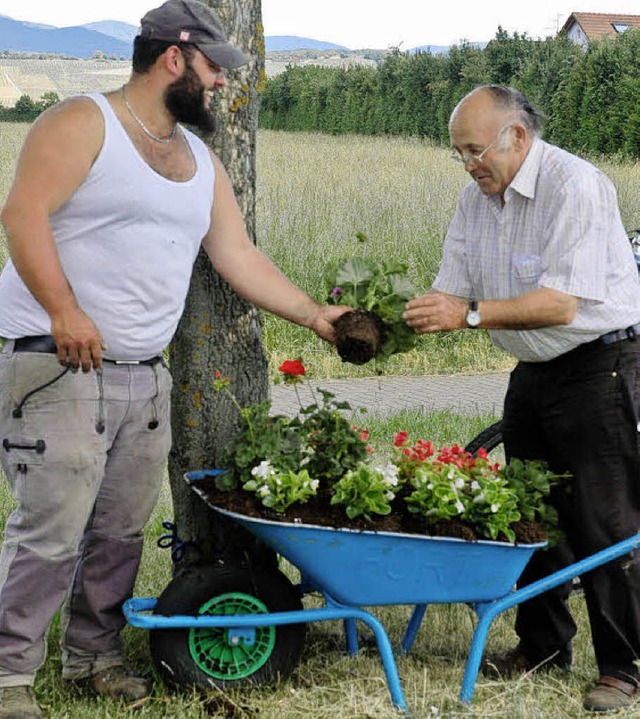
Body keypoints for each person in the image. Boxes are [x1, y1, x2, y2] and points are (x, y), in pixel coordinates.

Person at [0, 1, 348, 717]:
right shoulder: (81, 123)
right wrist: (65, 309)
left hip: (142, 374)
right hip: (56, 361)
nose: (221, 83)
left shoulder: (199, 161)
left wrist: (316, 315)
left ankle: (92, 656)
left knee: (120, 529)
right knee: (51, 528)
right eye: (214, 67)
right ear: (173, 57)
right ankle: (8, 675)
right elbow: (22, 213)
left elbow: (236, 255)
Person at [404, 85, 640, 713]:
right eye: (459, 153)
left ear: (517, 136)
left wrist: (471, 314)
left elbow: (563, 304)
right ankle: (541, 648)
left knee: (605, 521)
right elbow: (450, 291)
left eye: (476, 150)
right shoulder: (475, 199)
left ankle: (625, 667)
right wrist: (381, 324)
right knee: (532, 514)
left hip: (603, 365)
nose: (469, 164)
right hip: (534, 369)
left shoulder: (575, 185)